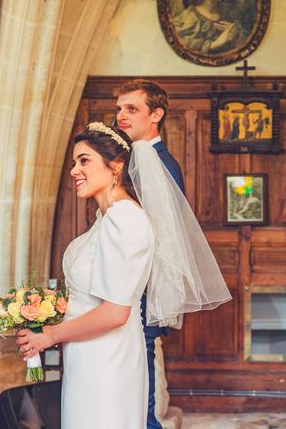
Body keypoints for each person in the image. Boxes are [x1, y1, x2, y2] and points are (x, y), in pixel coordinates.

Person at [16, 122, 231, 428]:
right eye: (74, 162)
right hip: (87, 354)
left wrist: (49, 335)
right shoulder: (105, 218)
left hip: (107, 358)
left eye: (84, 161)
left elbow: (115, 312)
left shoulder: (125, 220)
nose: (74, 170)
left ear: (115, 166)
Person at [115, 79, 181, 429]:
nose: (121, 116)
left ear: (156, 114)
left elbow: (158, 235)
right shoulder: (133, 158)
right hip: (128, 282)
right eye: (120, 108)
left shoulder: (159, 163)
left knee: (144, 376)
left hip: (141, 284)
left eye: (132, 108)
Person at [173, 0, 244, 54]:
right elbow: (177, 41)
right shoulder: (190, 16)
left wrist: (236, 35)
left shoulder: (227, 12)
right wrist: (213, 45)